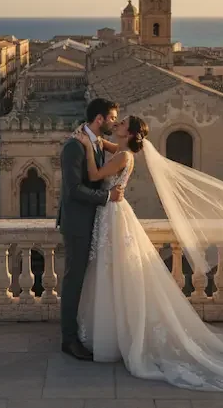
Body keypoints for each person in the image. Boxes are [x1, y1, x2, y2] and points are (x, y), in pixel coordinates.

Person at [70, 114, 223, 392]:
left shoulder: (122, 157)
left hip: (113, 214)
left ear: (129, 134)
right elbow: (108, 145)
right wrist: (95, 138)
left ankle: (116, 336)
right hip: (113, 214)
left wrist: (83, 144)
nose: (116, 125)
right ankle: (115, 333)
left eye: (121, 124)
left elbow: (93, 175)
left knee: (114, 269)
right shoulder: (124, 151)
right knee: (112, 270)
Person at [56, 98, 124, 361]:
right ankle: (68, 340)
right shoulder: (74, 146)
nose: (115, 122)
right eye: (112, 118)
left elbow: (124, 147)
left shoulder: (93, 141)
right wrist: (107, 197)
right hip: (76, 223)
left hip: (89, 222)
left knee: (82, 279)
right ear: (99, 119)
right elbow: (73, 190)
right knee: (73, 281)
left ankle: (78, 332)